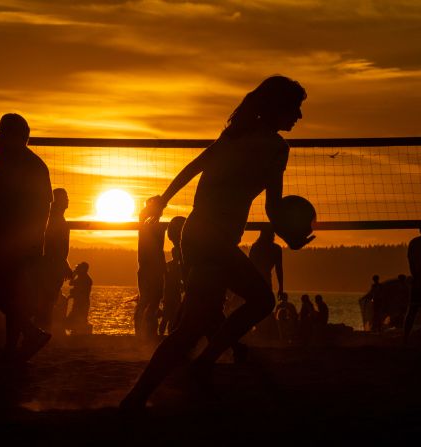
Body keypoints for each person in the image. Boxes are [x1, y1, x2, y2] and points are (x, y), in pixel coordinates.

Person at [120, 75, 308, 412]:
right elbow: (274, 208)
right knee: (253, 303)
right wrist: (291, 234)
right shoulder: (276, 148)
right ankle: (183, 375)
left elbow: (194, 168)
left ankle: (157, 387)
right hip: (213, 241)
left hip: (197, 235)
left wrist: (163, 200)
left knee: (198, 322)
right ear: (277, 108)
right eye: (295, 107)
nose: (299, 115)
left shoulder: (234, 137)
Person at [0, 113, 53, 362]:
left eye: (1, 135)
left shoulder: (6, 162)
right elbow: (43, 209)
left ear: (16, 137)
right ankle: (13, 346)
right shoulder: (35, 165)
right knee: (12, 294)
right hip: (24, 243)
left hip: (8, 242)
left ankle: (30, 334)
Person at [38, 188, 72, 333]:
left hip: (55, 263)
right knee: (48, 300)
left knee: (49, 299)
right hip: (53, 264)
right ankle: (44, 331)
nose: (68, 200)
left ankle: (44, 330)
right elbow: (53, 244)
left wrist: (64, 263)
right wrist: (62, 263)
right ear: (57, 201)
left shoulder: (55, 217)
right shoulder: (55, 219)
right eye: (65, 197)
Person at [135, 207, 166, 341]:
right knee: (150, 301)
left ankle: (143, 331)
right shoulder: (153, 227)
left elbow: (158, 251)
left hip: (148, 269)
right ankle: (146, 331)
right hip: (152, 269)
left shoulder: (144, 226)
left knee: (147, 301)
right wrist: (164, 269)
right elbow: (158, 251)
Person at [159, 216, 186, 336]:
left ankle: (165, 334)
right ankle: (165, 334)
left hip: (172, 294)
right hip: (171, 294)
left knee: (170, 316)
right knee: (169, 316)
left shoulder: (172, 265)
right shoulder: (176, 265)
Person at [65, 262, 93, 334]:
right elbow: (71, 283)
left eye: (80, 268)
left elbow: (80, 291)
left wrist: (74, 275)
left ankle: (80, 334)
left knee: (80, 318)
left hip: (82, 303)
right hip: (78, 302)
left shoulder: (86, 279)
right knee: (75, 319)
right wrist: (74, 275)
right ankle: (76, 334)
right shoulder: (81, 278)